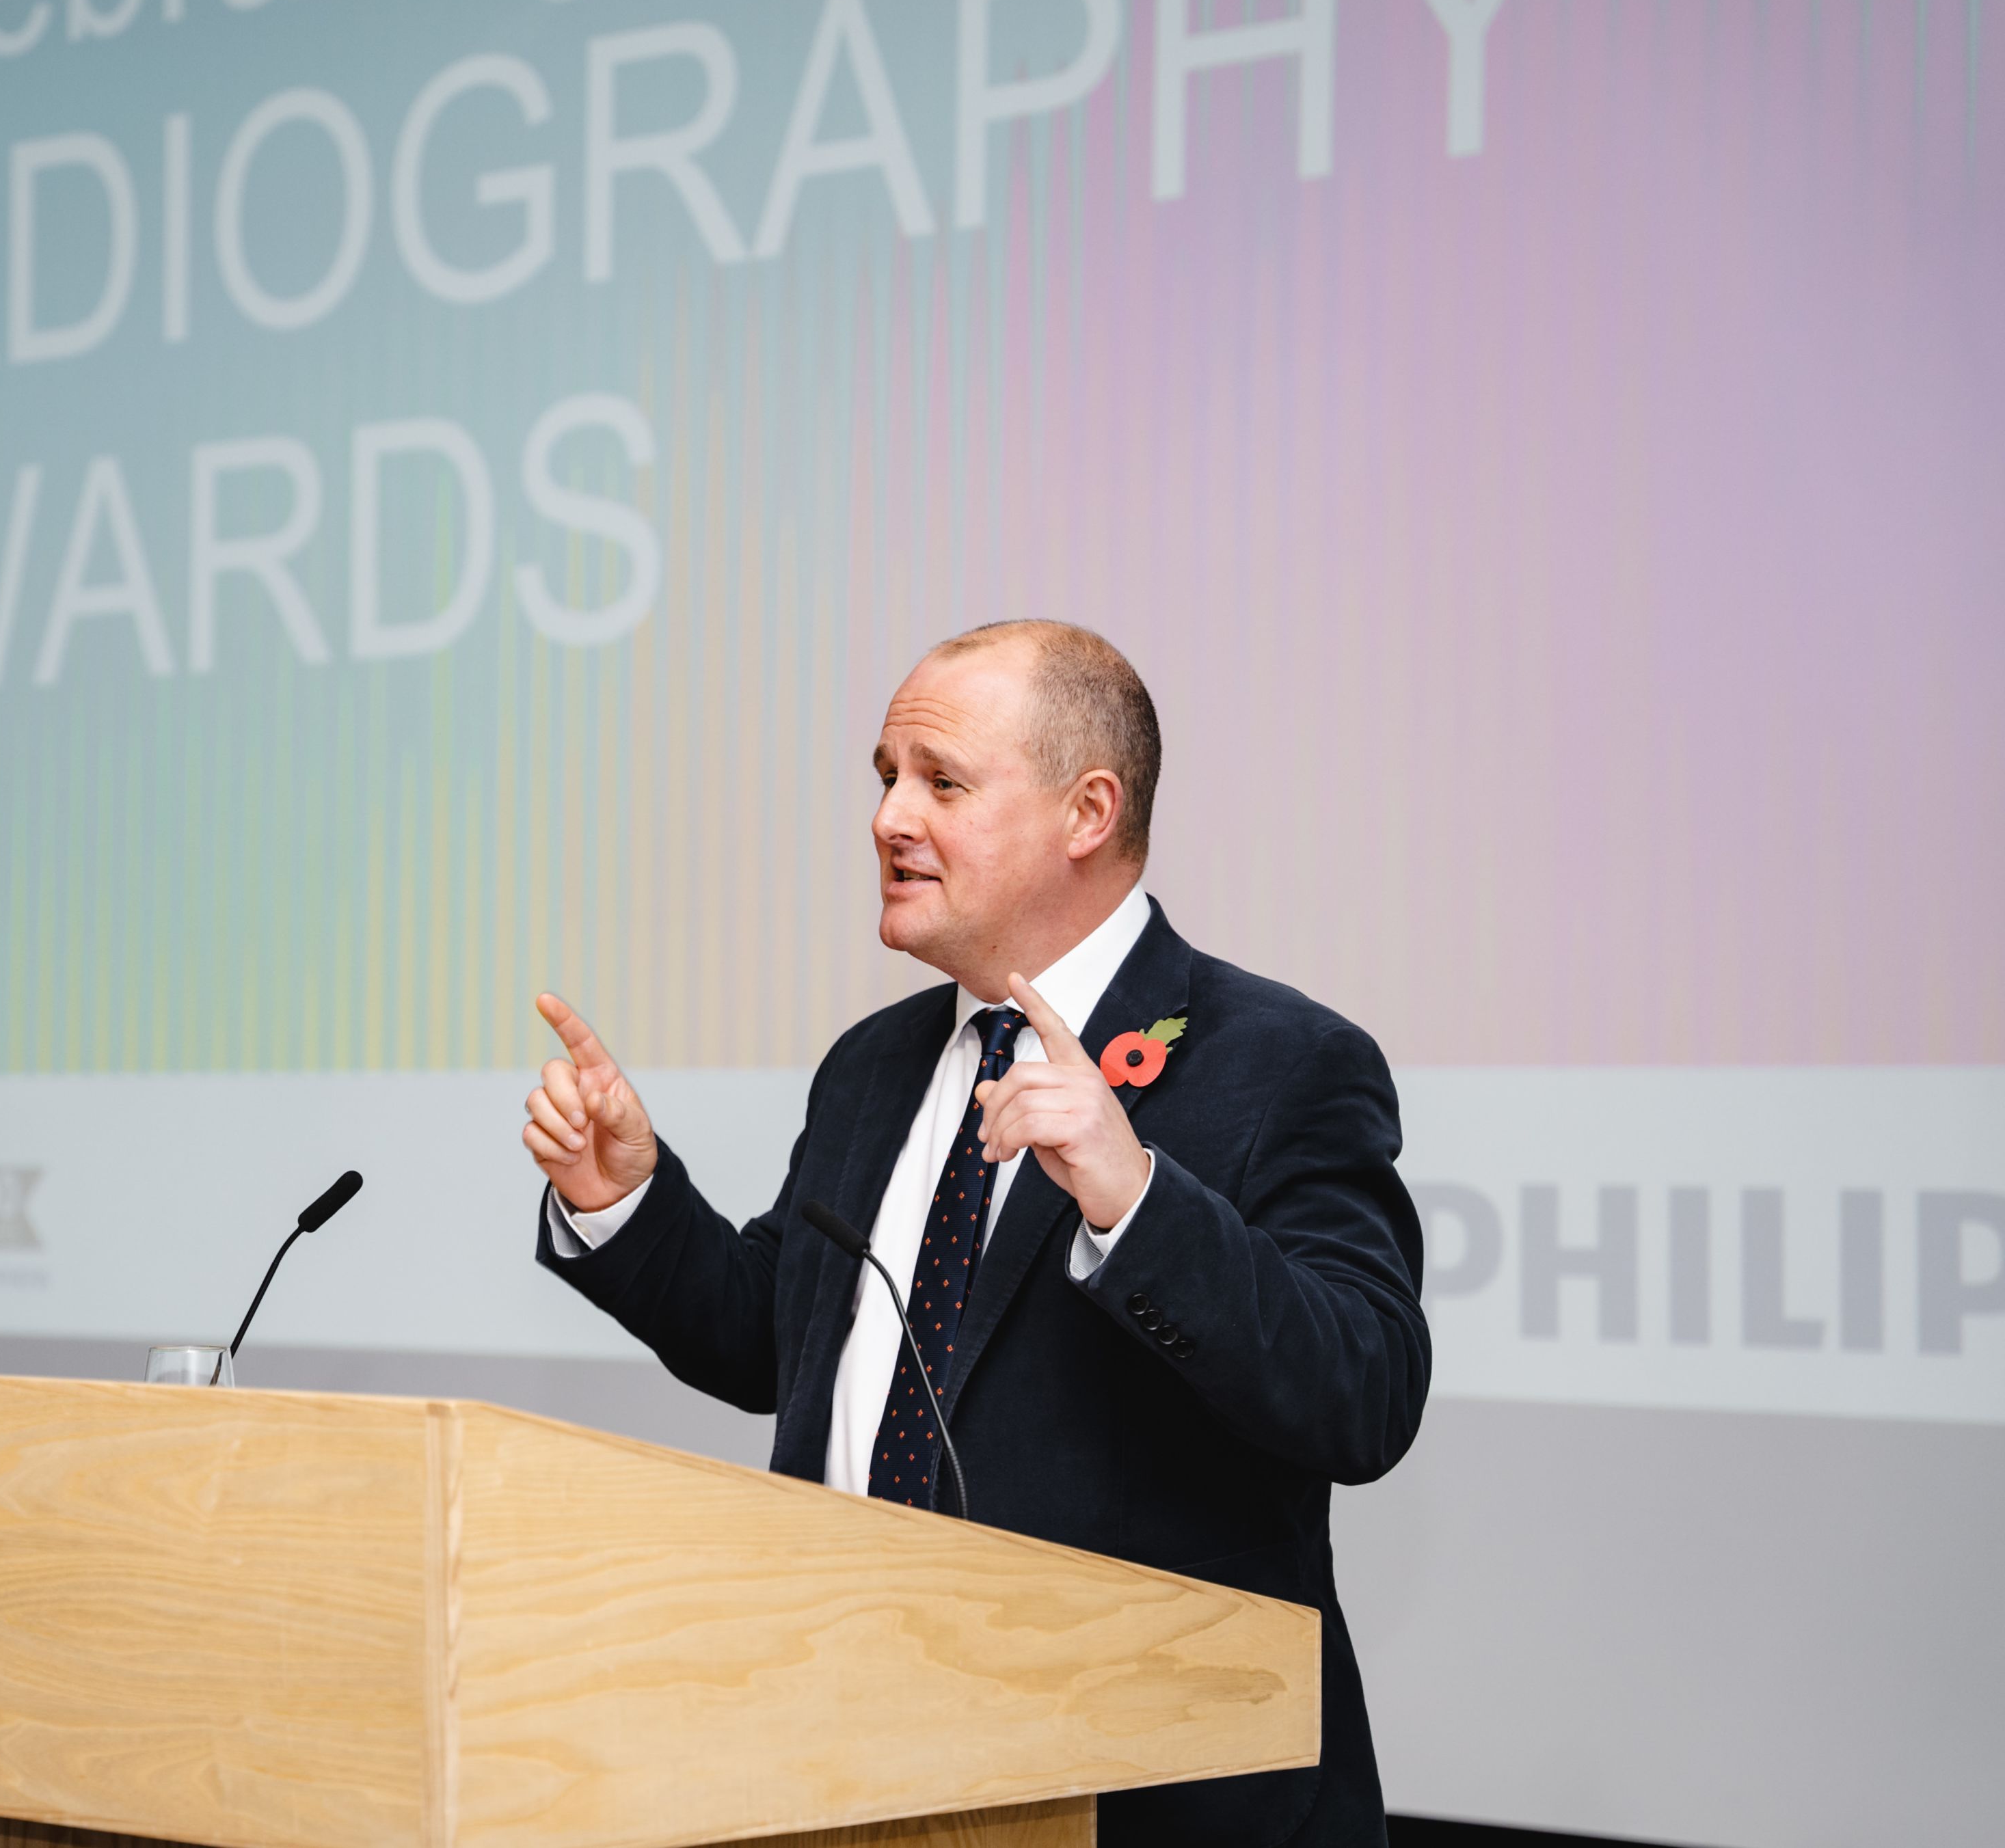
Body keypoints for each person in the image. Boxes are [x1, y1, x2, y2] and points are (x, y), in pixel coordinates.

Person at [520, 621, 1429, 1848]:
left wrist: (1135, 1197)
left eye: (941, 782)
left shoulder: (1280, 1061)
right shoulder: (874, 1065)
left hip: (1150, 1792)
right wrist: (625, 1199)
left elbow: (1364, 1394)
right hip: (851, 1761)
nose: (889, 818)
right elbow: (784, 1346)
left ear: (1088, 812)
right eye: (885, 777)